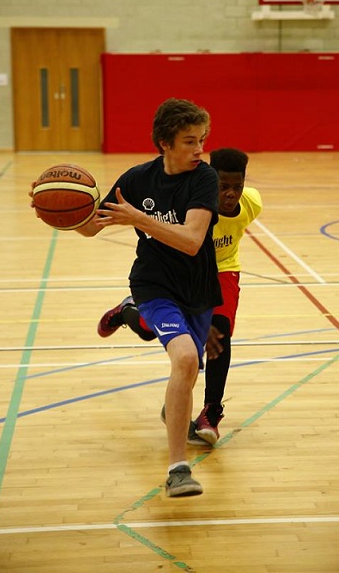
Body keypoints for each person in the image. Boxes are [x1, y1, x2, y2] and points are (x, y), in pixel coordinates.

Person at [32, 98, 222, 498]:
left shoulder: (204, 179)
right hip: (154, 284)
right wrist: (57, 211)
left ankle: (132, 322)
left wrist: (137, 218)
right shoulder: (136, 180)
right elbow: (90, 228)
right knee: (185, 359)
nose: (200, 149)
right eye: (190, 142)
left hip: (198, 288)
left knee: (186, 375)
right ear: (164, 144)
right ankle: (178, 469)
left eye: (202, 140)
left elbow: (191, 242)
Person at [98, 147, 262, 446]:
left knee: (220, 335)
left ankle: (211, 410)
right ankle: (127, 311)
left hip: (224, 270)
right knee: (150, 332)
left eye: (236, 187)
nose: (230, 194)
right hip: (182, 275)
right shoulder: (195, 202)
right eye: (223, 187)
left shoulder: (252, 204)